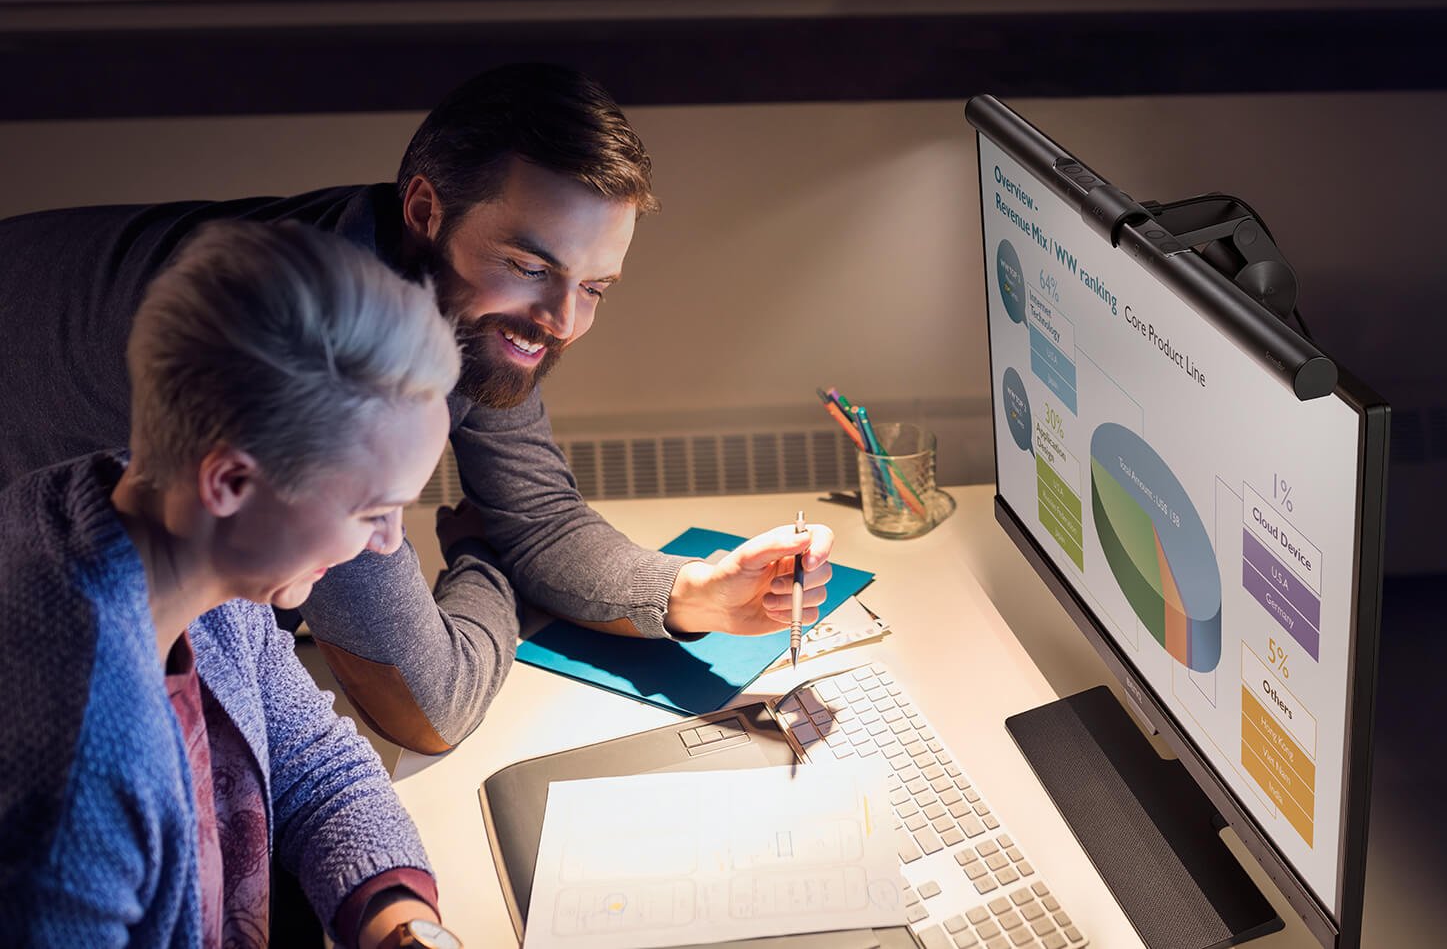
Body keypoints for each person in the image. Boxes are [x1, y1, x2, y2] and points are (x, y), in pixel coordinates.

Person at [0, 62, 833, 754]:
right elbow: (425, 708)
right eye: (531, 266)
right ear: (427, 210)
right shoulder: (322, 351)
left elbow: (535, 515)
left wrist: (693, 591)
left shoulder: (459, 304)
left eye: (595, 287)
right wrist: (485, 564)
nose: (564, 321)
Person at [0, 222, 463, 947]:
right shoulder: (77, 772)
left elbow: (311, 761)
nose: (391, 541)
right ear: (231, 481)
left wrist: (405, 929)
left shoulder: (176, 540)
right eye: (372, 510)